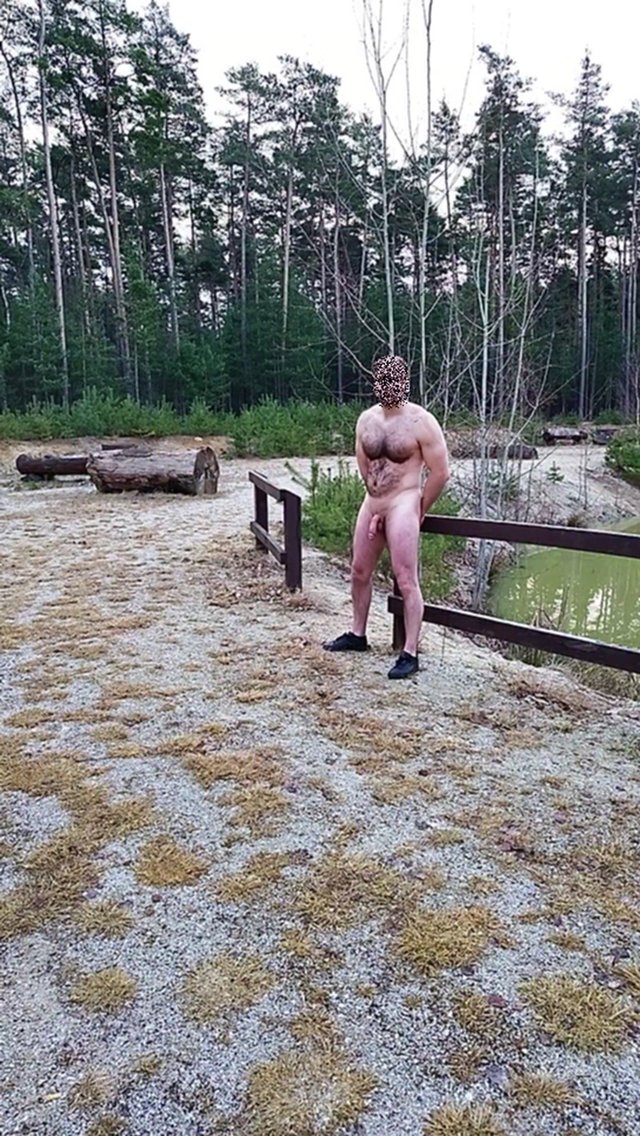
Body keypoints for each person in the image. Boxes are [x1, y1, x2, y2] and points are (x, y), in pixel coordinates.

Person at [324, 355, 450, 679]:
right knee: (359, 571)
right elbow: (364, 464)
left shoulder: (421, 422)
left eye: (394, 380)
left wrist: (419, 507)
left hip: (404, 504)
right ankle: (358, 634)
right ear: (375, 383)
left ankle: (410, 651)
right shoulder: (367, 420)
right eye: (382, 380)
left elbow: (440, 473)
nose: (388, 386)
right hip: (373, 503)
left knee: (406, 579)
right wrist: (375, 500)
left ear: (405, 383)